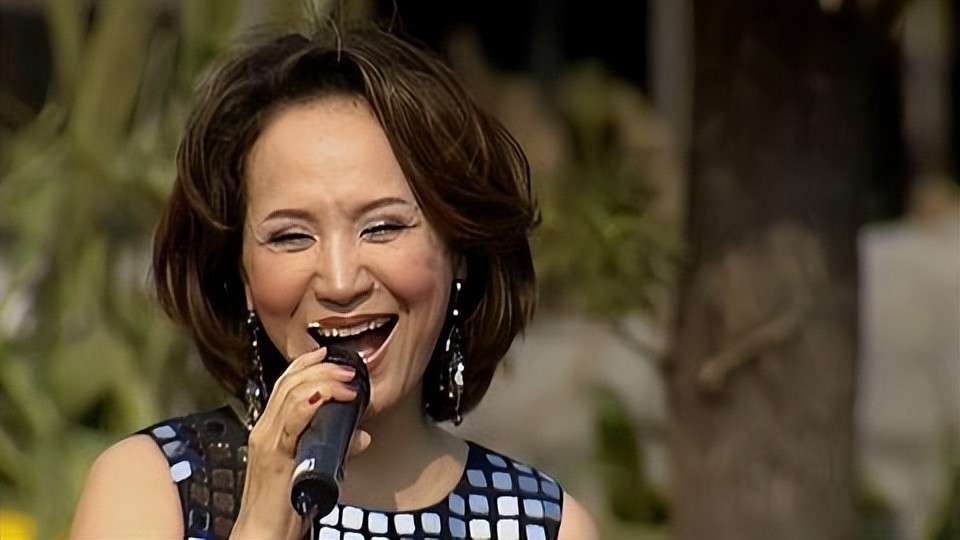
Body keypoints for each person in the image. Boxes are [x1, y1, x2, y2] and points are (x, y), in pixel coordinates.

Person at [70, 21, 597, 540]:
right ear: (241, 273)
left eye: (383, 227)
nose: (341, 283)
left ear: (459, 251)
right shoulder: (149, 488)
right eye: (292, 236)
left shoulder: (546, 526)